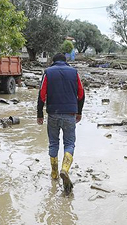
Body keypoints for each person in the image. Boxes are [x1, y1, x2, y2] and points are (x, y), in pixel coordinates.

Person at [37, 53, 85, 194]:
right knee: (69, 143)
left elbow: (41, 94)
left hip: (53, 113)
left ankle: (54, 174)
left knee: (53, 143)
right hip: (70, 113)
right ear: (65, 61)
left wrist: (39, 113)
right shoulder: (74, 72)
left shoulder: (48, 72)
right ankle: (65, 169)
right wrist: (79, 112)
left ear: (53, 61)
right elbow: (81, 94)